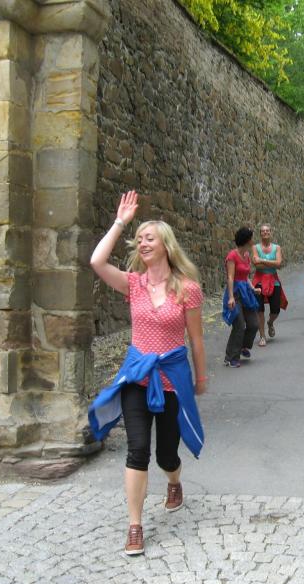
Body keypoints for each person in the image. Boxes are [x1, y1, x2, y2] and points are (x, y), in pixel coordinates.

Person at [87, 190, 207, 557]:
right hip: (137, 376)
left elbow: (196, 340)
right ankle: (135, 525)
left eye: (149, 238)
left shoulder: (187, 289)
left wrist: (201, 378)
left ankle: (174, 480)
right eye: (138, 239)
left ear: (166, 245)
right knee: (137, 449)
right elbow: (96, 261)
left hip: (171, 379)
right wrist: (120, 222)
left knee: (166, 454)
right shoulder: (133, 284)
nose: (142, 243)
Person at [224, 227, 260, 367]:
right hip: (235, 292)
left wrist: (253, 288)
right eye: (251, 237)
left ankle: (243, 346)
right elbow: (230, 277)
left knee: (254, 323)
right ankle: (231, 357)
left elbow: (246, 277)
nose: (253, 240)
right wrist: (231, 297)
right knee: (239, 324)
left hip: (246, 292)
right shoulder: (232, 256)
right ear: (247, 240)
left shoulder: (246, 255)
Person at [252, 224, 287, 347]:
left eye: (267, 230)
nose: (265, 232)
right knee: (259, 309)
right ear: (260, 234)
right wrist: (271, 263)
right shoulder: (255, 247)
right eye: (263, 231)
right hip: (259, 280)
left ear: (271, 232)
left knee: (276, 309)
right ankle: (262, 336)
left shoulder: (277, 248)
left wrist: (262, 260)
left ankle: (270, 322)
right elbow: (256, 265)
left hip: (273, 280)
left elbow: (279, 264)